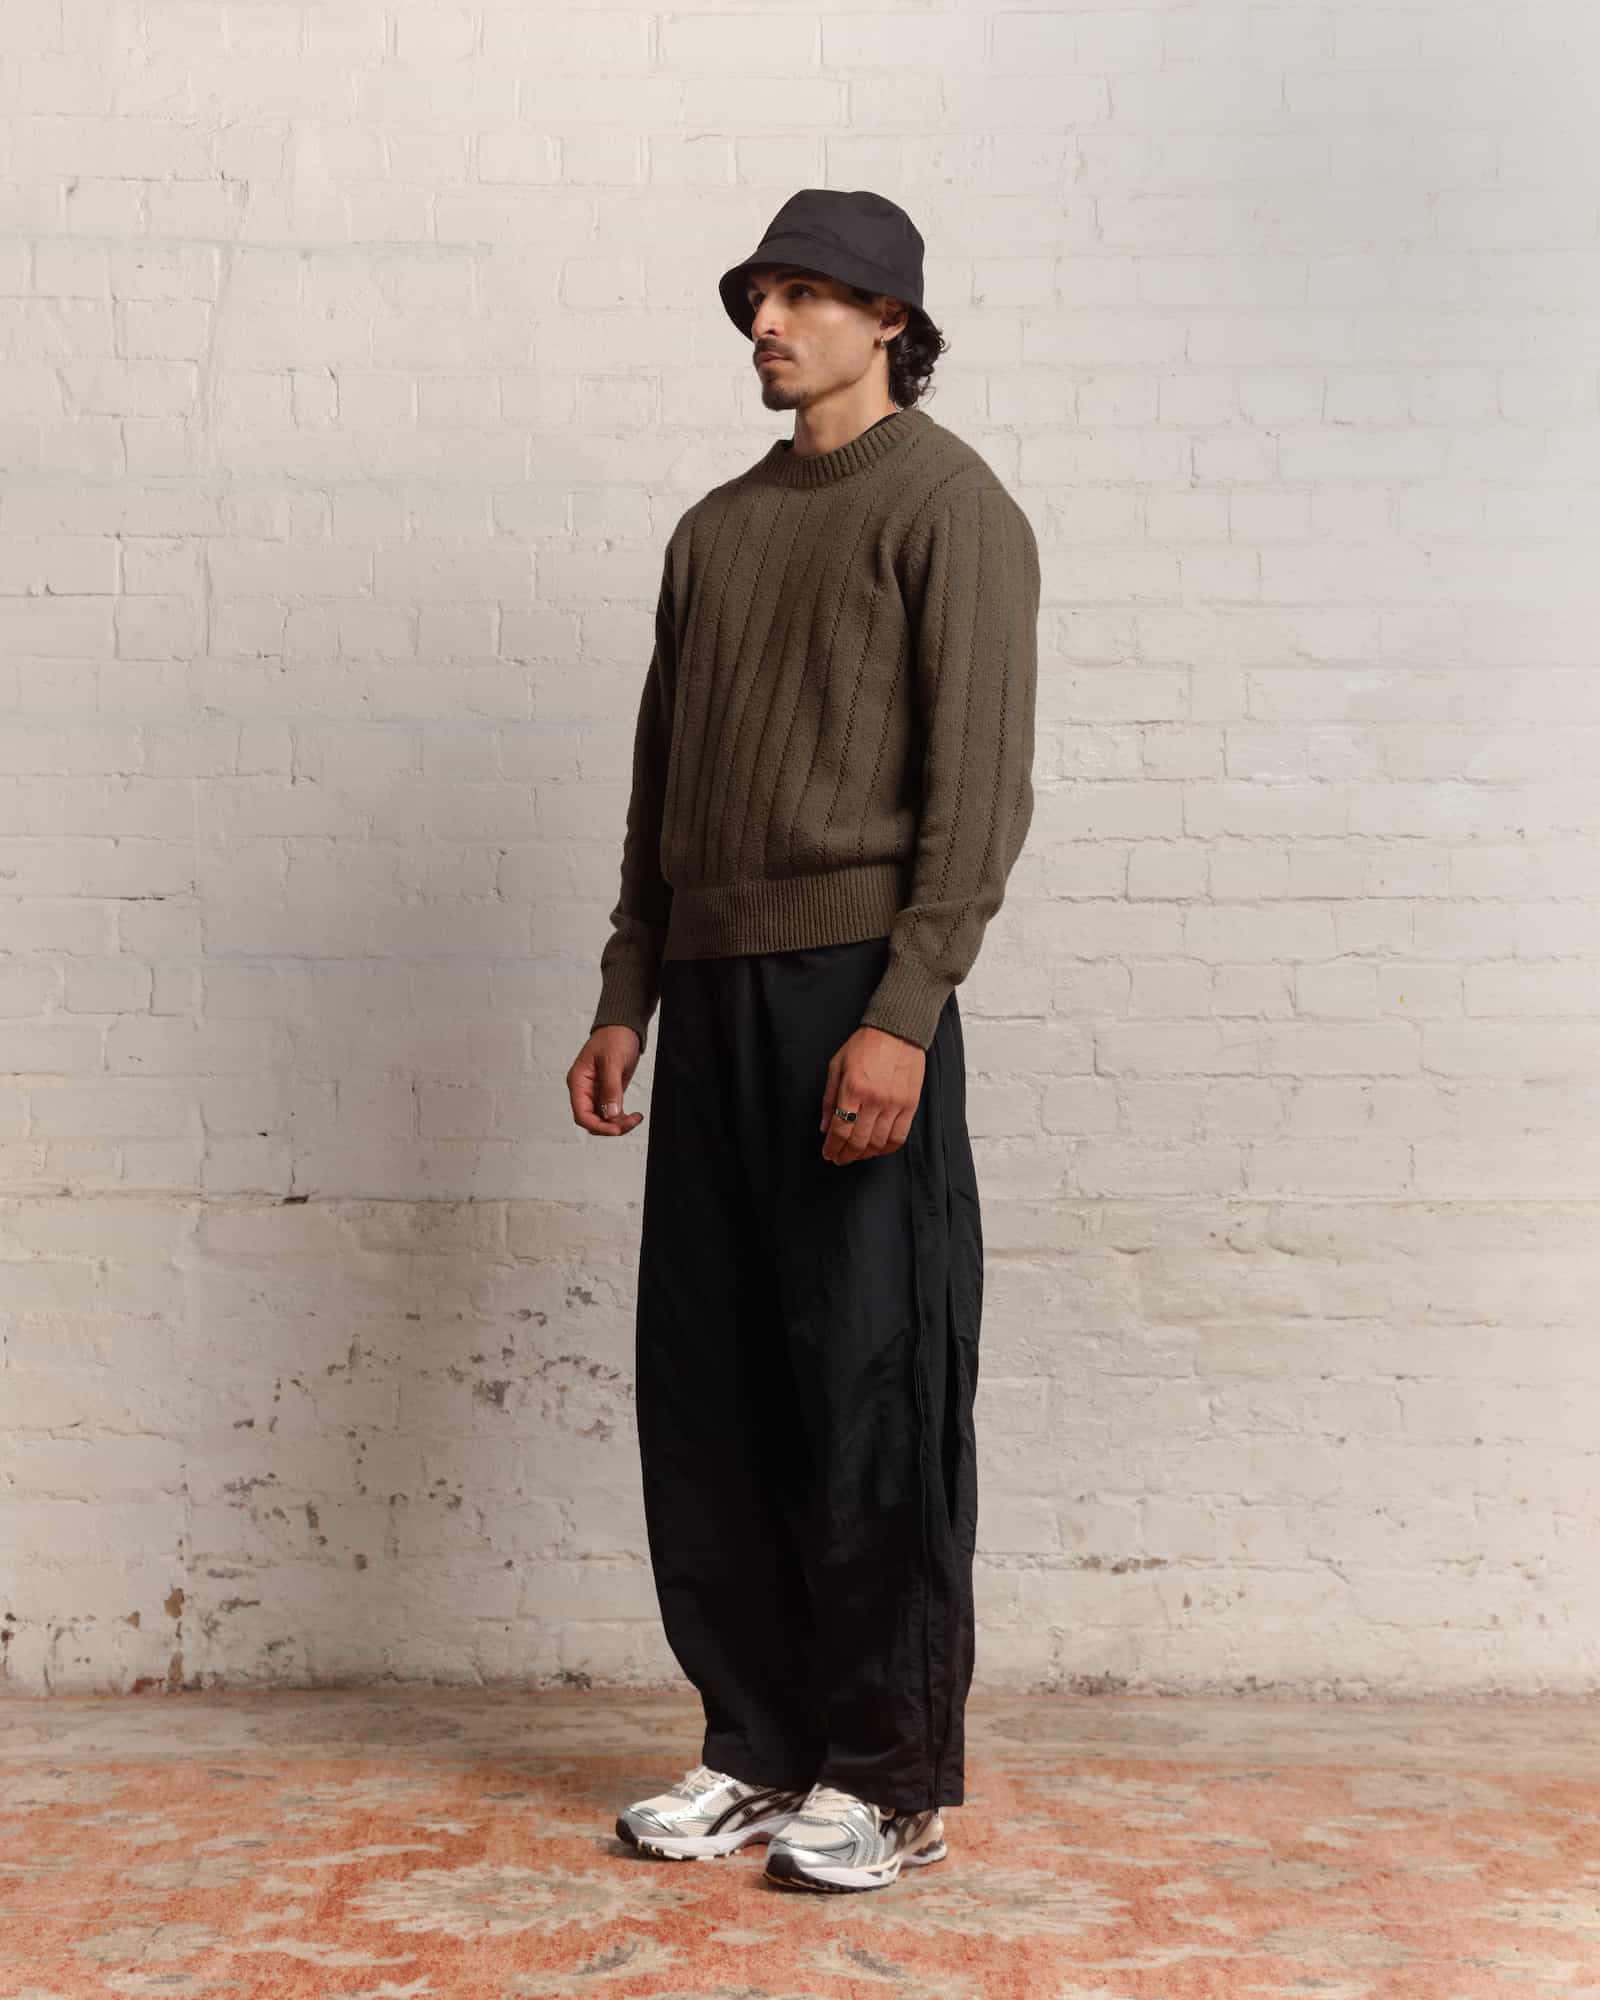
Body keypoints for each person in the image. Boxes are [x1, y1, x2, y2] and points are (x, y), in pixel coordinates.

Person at [565, 188, 1041, 1895]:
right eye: (758, 296)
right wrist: (629, 989)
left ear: (889, 320)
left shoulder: (952, 508)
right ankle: (756, 1747)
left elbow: (976, 798)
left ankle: (890, 1776)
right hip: (710, 994)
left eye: (805, 296)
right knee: (711, 1387)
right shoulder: (714, 531)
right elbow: (664, 787)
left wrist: (903, 1015)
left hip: (857, 986)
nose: (767, 324)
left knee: (869, 1382)